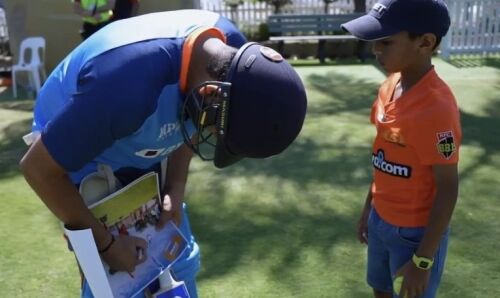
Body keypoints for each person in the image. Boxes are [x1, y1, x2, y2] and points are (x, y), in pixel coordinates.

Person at [20, 9, 307, 298]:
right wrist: (105, 244)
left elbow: (191, 119)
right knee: (113, 285)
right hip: (83, 153)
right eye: (215, 130)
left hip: (134, 129)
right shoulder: (126, 87)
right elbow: (39, 170)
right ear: (210, 94)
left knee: (179, 262)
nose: (207, 135)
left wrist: (176, 186)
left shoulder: (235, 61)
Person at [341, 1, 461, 297]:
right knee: (379, 288)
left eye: (386, 42)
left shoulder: (437, 109)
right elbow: (383, 155)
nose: (376, 50)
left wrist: (422, 261)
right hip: (380, 219)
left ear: (425, 42)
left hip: (415, 236)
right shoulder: (389, 85)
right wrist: (369, 207)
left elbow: (447, 188)